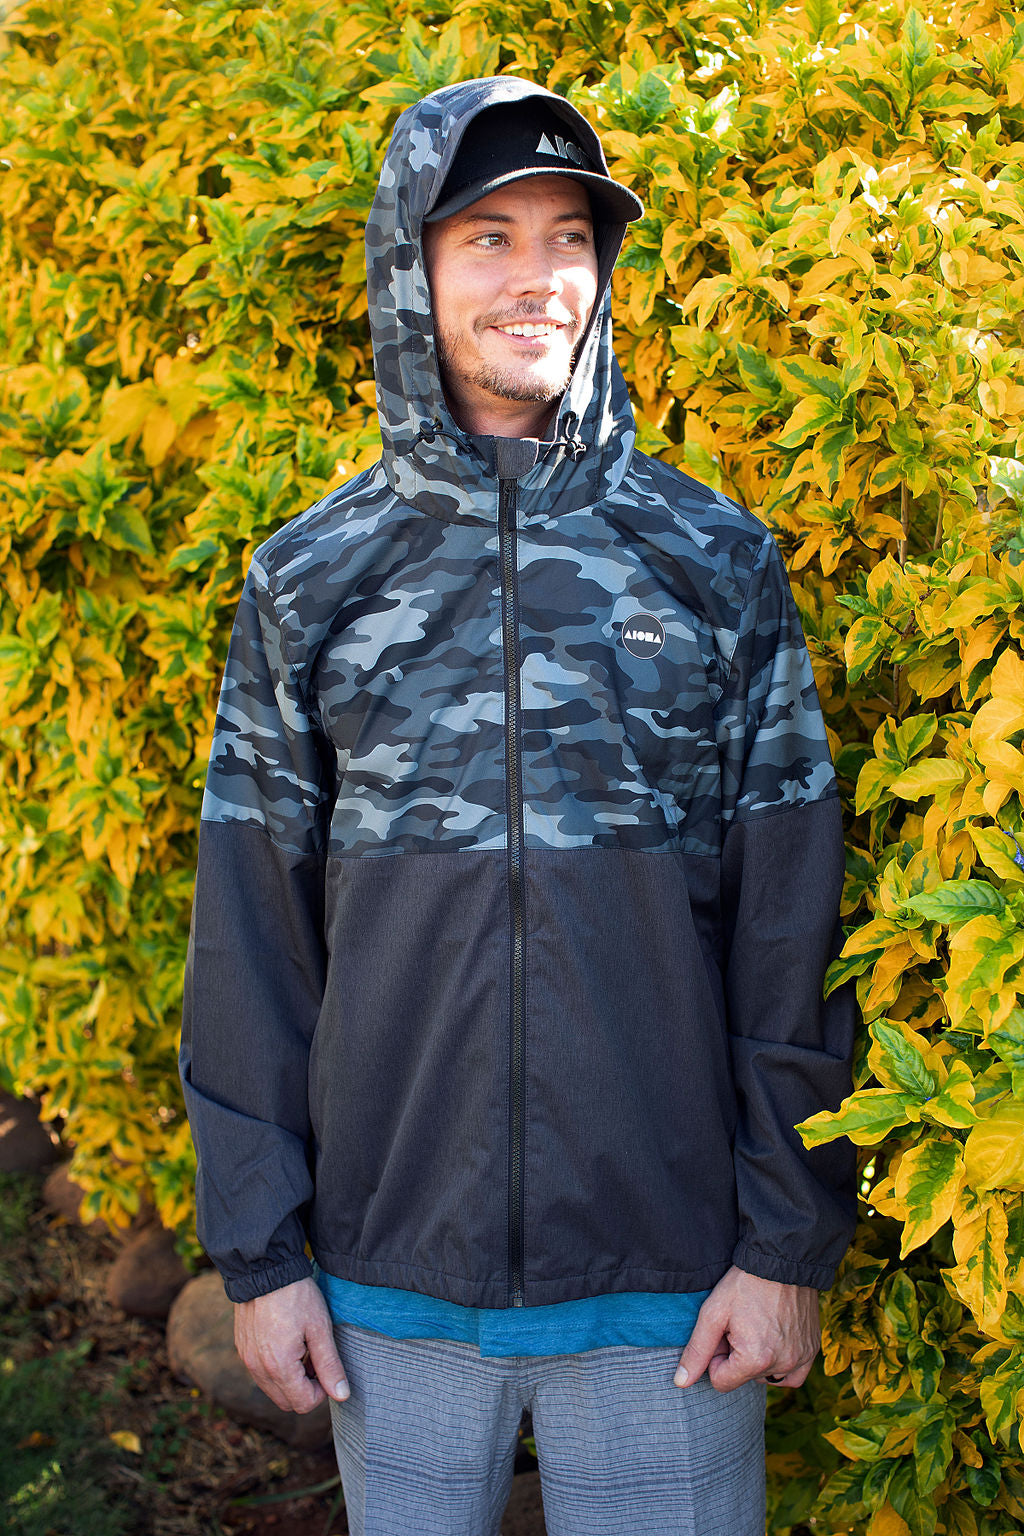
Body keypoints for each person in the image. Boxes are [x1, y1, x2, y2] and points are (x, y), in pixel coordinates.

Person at [180, 76, 856, 1536]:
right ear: (408, 266)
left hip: (675, 1283)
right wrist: (262, 1252)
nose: (537, 275)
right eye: (487, 236)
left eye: (569, 236)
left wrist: (789, 1243)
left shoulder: (713, 562)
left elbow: (792, 928)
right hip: (385, 1278)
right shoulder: (310, 579)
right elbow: (251, 934)